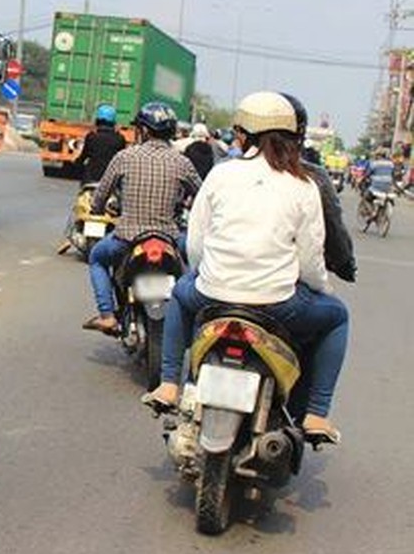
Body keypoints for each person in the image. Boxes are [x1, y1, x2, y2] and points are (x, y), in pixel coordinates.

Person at [143, 92, 349, 446]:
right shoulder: (303, 185)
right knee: (338, 316)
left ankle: (168, 384)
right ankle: (315, 413)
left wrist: (204, 274)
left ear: (242, 135)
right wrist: (322, 289)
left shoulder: (222, 175)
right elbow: (310, 260)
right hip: (278, 304)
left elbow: (196, 240)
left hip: (212, 293)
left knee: (178, 293)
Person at [81, 102, 201, 337]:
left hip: (126, 237)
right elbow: (204, 195)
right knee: (197, 268)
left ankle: (106, 315)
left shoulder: (125, 157)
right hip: (169, 237)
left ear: (144, 131)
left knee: (96, 258)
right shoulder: (182, 162)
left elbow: (100, 195)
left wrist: (97, 209)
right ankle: (195, 320)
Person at [282, 93, 356, 283]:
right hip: (281, 292)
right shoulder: (311, 180)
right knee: (337, 312)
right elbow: (331, 230)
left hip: (215, 288)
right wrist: (345, 265)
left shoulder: (224, 170)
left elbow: (197, 242)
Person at [78, 103, 127, 184]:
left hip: (91, 179)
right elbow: (122, 160)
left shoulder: (91, 137)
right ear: (113, 122)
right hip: (110, 180)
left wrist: (76, 163)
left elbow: (84, 156)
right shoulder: (119, 138)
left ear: (97, 121)